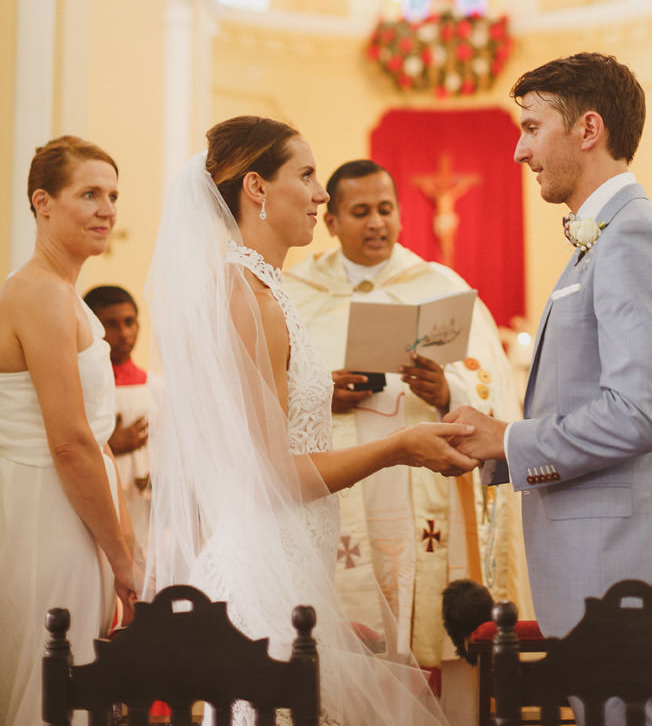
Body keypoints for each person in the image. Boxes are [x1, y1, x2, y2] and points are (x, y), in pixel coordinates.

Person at [145, 116, 478, 726]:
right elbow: (277, 472)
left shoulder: (259, 291)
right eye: (307, 175)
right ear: (256, 188)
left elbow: (259, 422)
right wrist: (401, 444)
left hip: (291, 553)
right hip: (265, 561)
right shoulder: (254, 301)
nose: (322, 194)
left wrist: (318, 393)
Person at [445, 53, 652, 716]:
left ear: (587, 128)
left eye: (532, 127)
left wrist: (510, 440)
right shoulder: (601, 241)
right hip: (601, 567)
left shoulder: (635, 238)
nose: (518, 149)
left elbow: (637, 413)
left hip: (626, 569)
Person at [282, 160, 530, 715]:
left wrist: (447, 389)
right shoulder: (297, 295)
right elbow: (269, 390)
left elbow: (491, 384)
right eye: (360, 212)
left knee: (428, 619)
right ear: (333, 221)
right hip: (346, 483)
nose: (377, 223)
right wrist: (322, 394)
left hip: (423, 492)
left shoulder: (439, 287)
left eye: (386, 209)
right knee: (354, 627)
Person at [0, 136, 136, 726]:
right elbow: (71, 442)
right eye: (89, 194)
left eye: (112, 195)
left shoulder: (59, 294)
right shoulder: (38, 293)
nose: (107, 209)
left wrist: (122, 545)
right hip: (46, 511)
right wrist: (124, 557)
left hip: (67, 508)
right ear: (43, 202)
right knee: (54, 686)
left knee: (73, 680)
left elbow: (96, 442)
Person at [83, 285, 153, 563]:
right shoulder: (82, 387)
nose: (123, 333)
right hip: (99, 501)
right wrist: (113, 444)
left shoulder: (155, 387)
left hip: (143, 501)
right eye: (110, 324)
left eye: (129, 322)